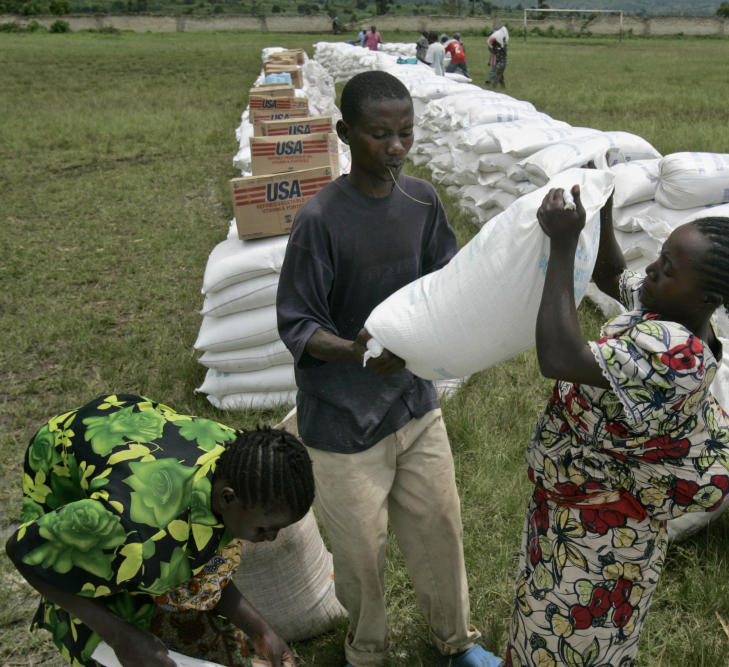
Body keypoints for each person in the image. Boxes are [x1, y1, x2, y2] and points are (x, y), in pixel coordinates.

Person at [275, 71, 499, 667]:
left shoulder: (422, 201)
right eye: (380, 135)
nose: (396, 147)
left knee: (439, 531)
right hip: (342, 423)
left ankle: (456, 644)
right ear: (346, 133)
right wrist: (357, 351)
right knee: (360, 554)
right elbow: (298, 324)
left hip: (414, 406)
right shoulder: (321, 220)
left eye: (405, 133)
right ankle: (366, 652)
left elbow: (446, 281)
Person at [504, 188, 729, 665]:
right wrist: (605, 209)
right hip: (576, 510)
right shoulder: (662, 306)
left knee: (568, 638)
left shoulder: (676, 356)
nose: (650, 271)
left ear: (708, 297)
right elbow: (610, 275)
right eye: (659, 258)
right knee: (541, 614)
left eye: (667, 268)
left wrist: (563, 246)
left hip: (599, 535)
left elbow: (558, 357)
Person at [5, 393, 315, 667]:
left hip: (131, 436)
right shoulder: (129, 525)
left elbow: (204, 559)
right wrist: (120, 636)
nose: (271, 538)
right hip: (63, 462)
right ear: (227, 498)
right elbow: (24, 551)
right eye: (265, 528)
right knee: (111, 614)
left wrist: (261, 630)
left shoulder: (245, 462)